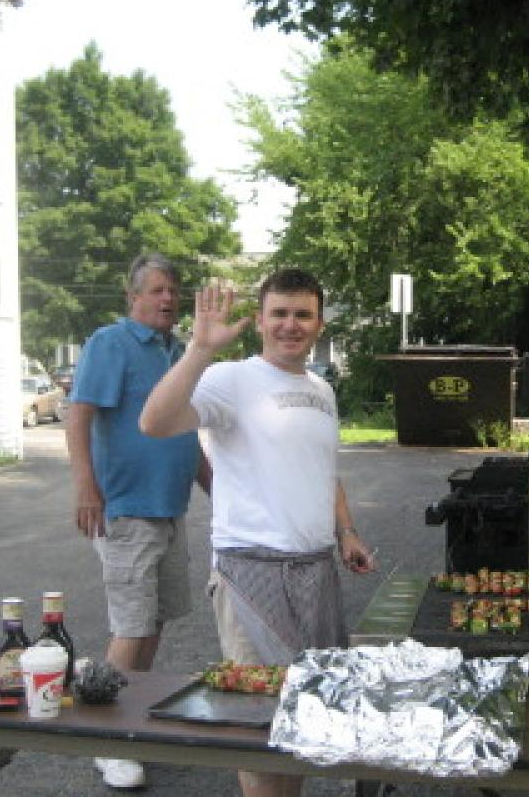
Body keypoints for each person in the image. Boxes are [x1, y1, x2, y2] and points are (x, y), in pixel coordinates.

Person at [140, 267, 375, 797]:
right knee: (259, 722)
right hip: (251, 571)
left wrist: (346, 531)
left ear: (319, 323)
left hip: (316, 570)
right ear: (261, 320)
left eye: (303, 314)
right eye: (279, 313)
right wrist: (199, 351)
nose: (291, 324)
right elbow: (154, 423)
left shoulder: (321, 389)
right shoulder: (231, 379)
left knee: (307, 710)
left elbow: (324, 471)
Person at [65, 253, 211, 790]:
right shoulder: (111, 343)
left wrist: (220, 489)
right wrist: (85, 486)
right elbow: (78, 414)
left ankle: (129, 713)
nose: (167, 298)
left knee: (154, 620)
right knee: (131, 625)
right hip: (126, 509)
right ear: (132, 297)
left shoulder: (178, 352)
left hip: (170, 507)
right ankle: (107, 739)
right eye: (156, 290)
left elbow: (186, 434)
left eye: (173, 290)